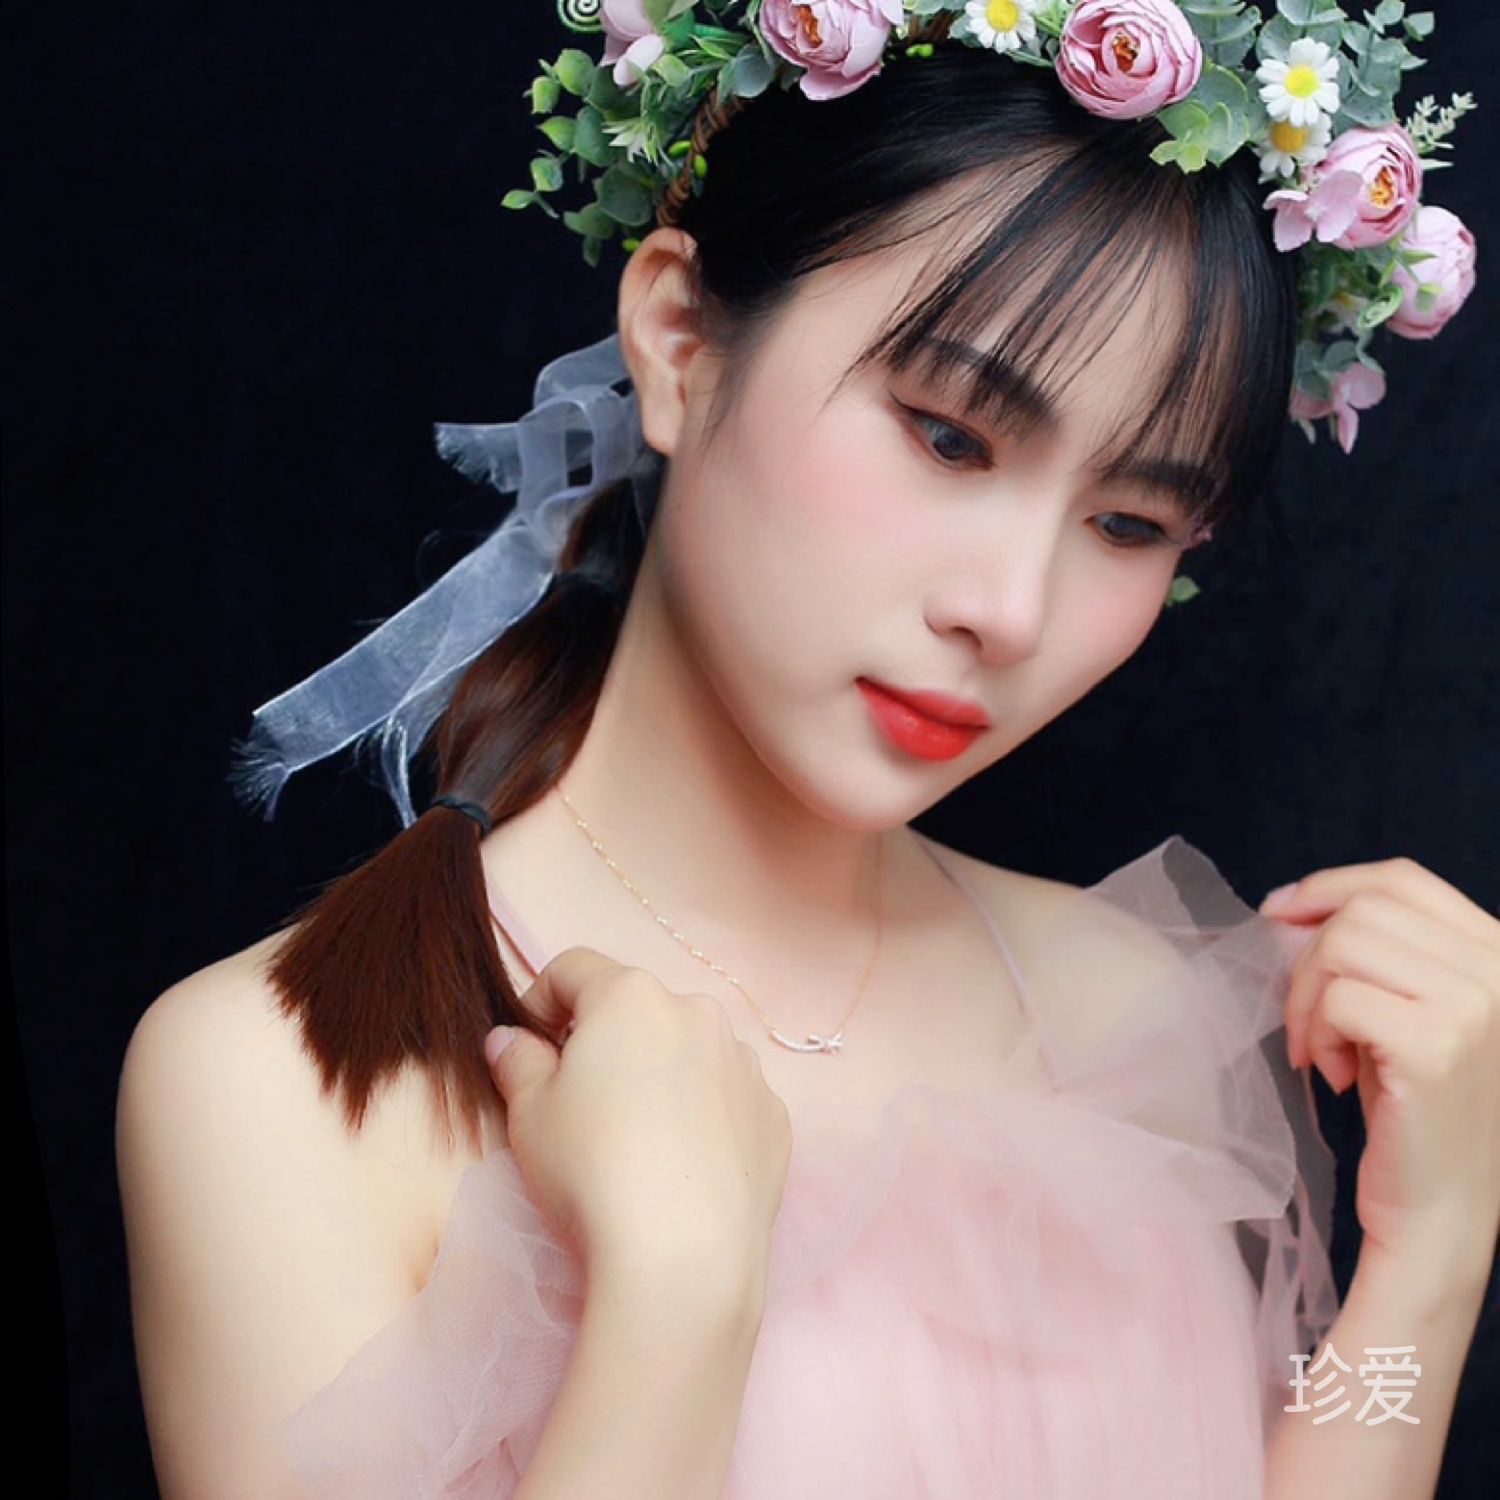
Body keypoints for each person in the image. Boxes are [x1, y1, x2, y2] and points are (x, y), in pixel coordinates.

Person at [117, 6, 1497, 1498]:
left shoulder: (1129, 1010)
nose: (1010, 610)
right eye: (950, 436)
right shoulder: (285, 1083)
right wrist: (675, 1308)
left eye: (1128, 523)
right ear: (678, 341)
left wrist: (1425, 1261)